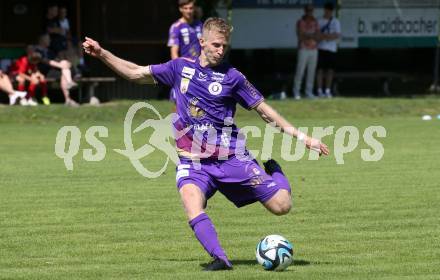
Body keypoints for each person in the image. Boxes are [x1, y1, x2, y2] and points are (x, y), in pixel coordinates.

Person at [83, 17, 329, 271]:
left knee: (282, 206)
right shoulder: (179, 68)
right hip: (193, 161)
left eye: (224, 46)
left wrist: (303, 138)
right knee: (190, 200)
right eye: (216, 45)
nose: (221, 50)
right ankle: (220, 259)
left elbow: (265, 112)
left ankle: (275, 172)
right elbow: (136, 73)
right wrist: (102, 54)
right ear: (202, 42)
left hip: (232, 158)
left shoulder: (233, 77)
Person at [167, 0, 203, 102]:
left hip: (200, 68)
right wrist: (178, 69)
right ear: (181, 9)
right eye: (186, 8)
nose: (189, 11)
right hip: (185, 69)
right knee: (179, 101)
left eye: (191, 8)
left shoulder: (200, 25)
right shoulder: (176, 27)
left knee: (199, 102)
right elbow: (174, 52)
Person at [34, 34, 79, 106]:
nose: (49, 41)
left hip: (54, 70)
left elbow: (56, 59)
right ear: (42, 40)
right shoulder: (37, 50)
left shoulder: (49, 51)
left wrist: (65, 63)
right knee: (64, 68)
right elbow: (45, 61)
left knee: (64, 68)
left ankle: (68, 98)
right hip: (44, 72)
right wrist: (60, 65)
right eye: (48, 39)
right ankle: (68, 94)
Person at [293, 4, 320, 100]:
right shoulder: (300, 22)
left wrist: (308, 35)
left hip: (314, 49)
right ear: (305, 11)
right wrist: (311, 36)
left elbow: (318, 36)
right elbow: (300, 36)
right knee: (300, 71)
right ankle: (296, 92)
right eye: (308, 10)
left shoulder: (315, 21)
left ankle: (309, 92)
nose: (310, 12)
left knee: (311, 72)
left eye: (311, 10)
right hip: (303, 49)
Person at [316, 2, 341, 98]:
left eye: (330, 11)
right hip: (320, 48)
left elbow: (337, 35)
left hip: (331, 49)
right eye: (327, 10)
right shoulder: (319, 20)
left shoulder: (335, 21)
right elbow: (317, 35)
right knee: (320, 70)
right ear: (325, 10)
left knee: (330, 70)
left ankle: (327, 90)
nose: (328, 12)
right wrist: (328, 36)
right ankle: (319, 90)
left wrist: (325, 36)